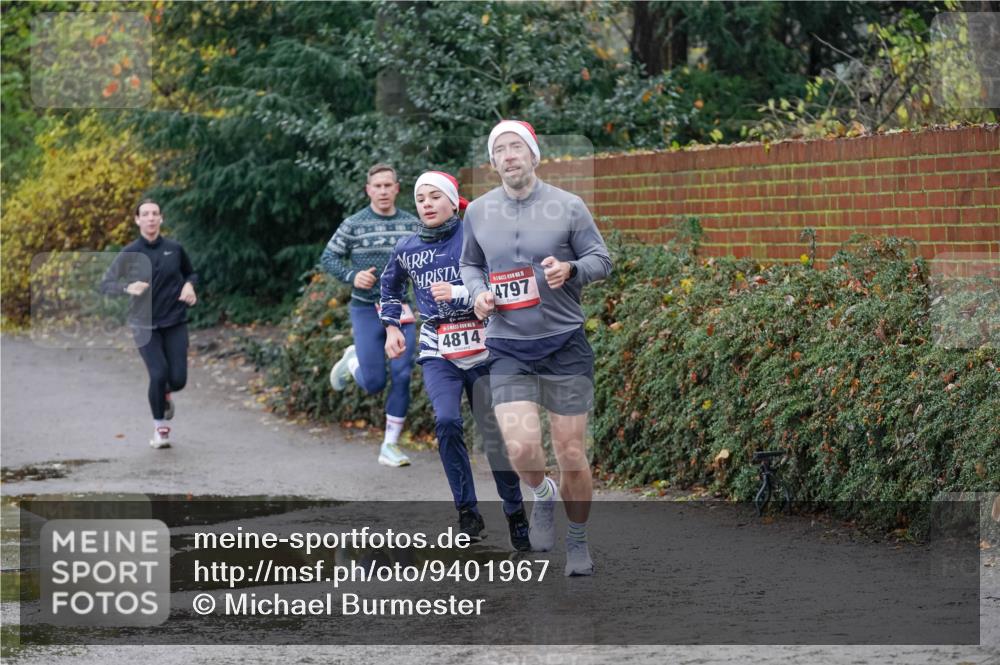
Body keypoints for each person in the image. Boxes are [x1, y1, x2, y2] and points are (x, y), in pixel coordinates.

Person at [459, 120, 612, 576]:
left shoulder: (568, 205)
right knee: (523, 449)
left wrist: (570, 269)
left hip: (564, 343)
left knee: (570, 451)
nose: (509, 155)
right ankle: (542, 495)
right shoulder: (479, 212)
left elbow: (601, 259)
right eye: (500, 150)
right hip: (508, 345)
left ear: (534, 155)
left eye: (516, 147)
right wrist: (477, 294)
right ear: (493, 163)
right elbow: (470, 263)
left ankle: (579, 542)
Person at [380, 171, 530, 549]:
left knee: (493, 432)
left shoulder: (477, 237)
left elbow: (509, 284)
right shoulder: (408, 247)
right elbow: (390, 286)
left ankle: (515, 513)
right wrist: (392, 328)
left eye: (434, 197)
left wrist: (462, 292)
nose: (426, 204)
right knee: (446, 421)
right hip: (438, 348)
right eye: (420, 199)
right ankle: (468, 513)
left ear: (452, 201)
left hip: (483, 344)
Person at [321, 164, 421, 467]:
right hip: (366, 308)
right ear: (368, 190)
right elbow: (329, 257)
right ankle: (353, 360)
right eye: (377, 186)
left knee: (403, 374)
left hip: (401, 308)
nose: (383, 191)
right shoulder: (354, 224)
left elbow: (428, 260)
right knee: (374, 383)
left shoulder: (412, 224)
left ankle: (390, 445)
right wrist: (353, 276)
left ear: (396, 188)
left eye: (388, 185)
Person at [100, 198, 198, 449]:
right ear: (137, 220)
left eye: (155, 214)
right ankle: (160, 429)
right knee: (157, 373)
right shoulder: (130, 252)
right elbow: (105, 284)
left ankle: (164, 394)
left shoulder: (174, 249)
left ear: (161, 219)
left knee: (178, 380)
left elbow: (191, 273)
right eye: (146, 214)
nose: (151, 218)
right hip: (144, 325)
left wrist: (189, 285)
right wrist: (126, 287)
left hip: (175, 321)